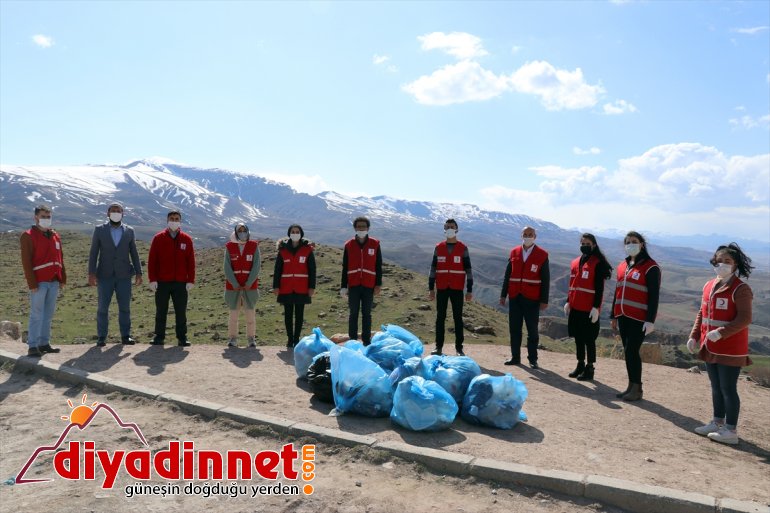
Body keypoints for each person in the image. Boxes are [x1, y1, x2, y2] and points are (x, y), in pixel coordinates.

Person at [687, 243, 754, 445]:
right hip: (710, 345)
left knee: (728, 388)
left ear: (735, 265)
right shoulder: (709, 285)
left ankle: (731, 430)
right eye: (719, 261)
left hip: (730, 348)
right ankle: (717, 422)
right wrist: (694, 335)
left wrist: (722, 333)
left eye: (727, 261)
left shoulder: (741, 289)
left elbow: (745, 318)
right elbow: (702, 313)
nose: (722, 265)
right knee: (716, 387)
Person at [610, 231, 661, 401]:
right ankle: (631, 386)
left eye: (634, 241)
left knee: (632, 351)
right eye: (628, 242)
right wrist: (614, 316)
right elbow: (617, 292)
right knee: (627, 351)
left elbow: (654, 296)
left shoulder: (650, 267)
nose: (630, 244)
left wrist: (650, 320)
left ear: (642, 244)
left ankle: (637, 388)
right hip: (623, 315)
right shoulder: (623, 266)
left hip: (639, 318)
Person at [87, 202, 143, 346]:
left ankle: (125, 336)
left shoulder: (129, 231)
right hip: (105, 275)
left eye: (118, 211)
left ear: (123, 213)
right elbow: (94, 252)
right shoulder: (99, 230)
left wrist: (139, 272)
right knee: (102, 308)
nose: (116, 213)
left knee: (125, 307)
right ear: (108, 213)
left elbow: (134, 252)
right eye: (113, 211)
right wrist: (91, 273)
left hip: (124, 275)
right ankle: (101, 337)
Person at [500, 226, 550, 368]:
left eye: (530, 234)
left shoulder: (542, 254)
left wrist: (544, 300)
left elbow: (545, 279)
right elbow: (507, 275)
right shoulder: (514, 252)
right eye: (525, 234)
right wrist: (503, 294)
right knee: (514, 328)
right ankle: (515, 357)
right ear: (521, 235)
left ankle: (532, 359)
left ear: (535, 236)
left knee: (532, 330)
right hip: (515, 296)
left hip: (532, 298)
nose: (528, 236)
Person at [564, 233, 612, 381]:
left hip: (588, 308)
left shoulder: (597, 263)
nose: (584, 246)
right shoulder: (575, 262)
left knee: (589, 339)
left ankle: (590, 368)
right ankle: (580, 364)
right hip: (576, 307)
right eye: (582, 243)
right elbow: (573, 285)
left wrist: (596, 307)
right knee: (578, 338)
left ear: (594, 245)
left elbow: (599, 288)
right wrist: (568, 301)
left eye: (587, 243)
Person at [20, 204, 65, 357]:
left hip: (54, 281)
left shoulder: (55, 236)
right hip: (39, 282)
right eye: (43, 216)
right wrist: (32, 283)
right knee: (36, 314)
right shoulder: (28, 235)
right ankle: (32, 345)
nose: (46, 219)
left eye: (48, 216)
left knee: (48, 314)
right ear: (36, 217)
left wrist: (62, 278)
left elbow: (60, 258)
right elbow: (26, 262)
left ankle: (44, 343)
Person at [147, 210, 195, 347]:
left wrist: (191, 280)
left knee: (181, 311)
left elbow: (191, 262)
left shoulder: (187, 239)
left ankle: (182, 337)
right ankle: (159, 336)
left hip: (181, 282)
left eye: (176, 219)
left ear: (180, 221)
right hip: (162, 282)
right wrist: (152, 279)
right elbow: (152, 261)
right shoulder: (158, 238)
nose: (174, 221)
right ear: (167, 220)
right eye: (172, 219)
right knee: (161, 310)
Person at [428, 218, 473, 356]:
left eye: (452, 227)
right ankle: (438, 347)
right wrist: (431, 288)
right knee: (440, 318)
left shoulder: (463, 248)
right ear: (444, 229)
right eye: (447, 227)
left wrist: (469, 290)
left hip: (457, 288)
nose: (449, 229)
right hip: (441, 287)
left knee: (457, 318)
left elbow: (469, 270)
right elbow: (433, 269)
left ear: (457, 229)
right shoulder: (438, 247)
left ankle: (459, 348)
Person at [272, 224, 316, 349]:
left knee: (299, 315)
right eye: (292, 231)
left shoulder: (307, 250)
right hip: (286, 287)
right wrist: (276, 286)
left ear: (301, 233)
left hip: (302, 287)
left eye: (297, 231)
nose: (295, 233)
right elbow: (277, 269)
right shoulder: (282, 249)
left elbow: (312, 269)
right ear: (289, 233)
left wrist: (312, 287)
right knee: (288, 314)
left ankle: (297, 339)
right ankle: (289, 339)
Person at [340, 216, 382, 346]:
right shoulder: (349, 245)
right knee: (353, 313)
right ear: (355, 228)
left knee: (366, 314)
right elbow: (345, 266)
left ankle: (366, 341)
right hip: (353, 284)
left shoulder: (375, 244)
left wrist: (378, 284)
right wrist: (343, 286)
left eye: (363, 226)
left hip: (369, 285)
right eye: (359, 227)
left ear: (368, 228)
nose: (361, 229)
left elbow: (378, 265)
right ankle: (352, 340)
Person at [224, 223, 260, 348]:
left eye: (244, 230)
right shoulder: (230, 246)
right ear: (235, 232)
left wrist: (249, 283)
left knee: (250, 314)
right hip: (233, 287)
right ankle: (233, 338)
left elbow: (256, 266)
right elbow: (227, 266)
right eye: (239, 230)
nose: (242, 232)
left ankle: (251, 338)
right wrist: (234, 283)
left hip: (249, 287)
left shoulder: (254, 246)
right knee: (233, 315)